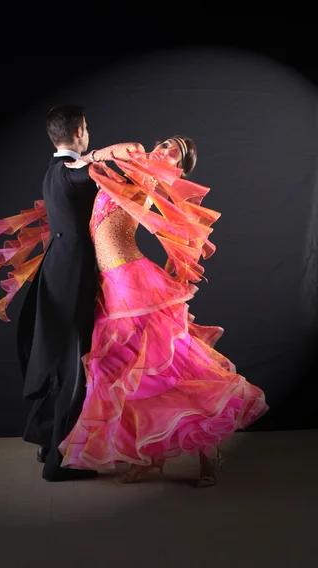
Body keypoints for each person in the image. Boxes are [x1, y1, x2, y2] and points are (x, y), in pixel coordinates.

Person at [57, 136, 269, 486]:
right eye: (167, 143)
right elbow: (89, 169)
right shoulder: (131, 172)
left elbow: (96, 166)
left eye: (176, 152)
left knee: (167, 367)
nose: (165, 149)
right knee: (127, 373)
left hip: (131, 281)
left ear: (179, 169)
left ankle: (207, 449)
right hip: (109, 283)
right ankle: (147, 455)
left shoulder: (147, 175)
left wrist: (106, 157)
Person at [0, 104, 144, 482]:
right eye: (87, 131)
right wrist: (111, 153)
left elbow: (79, 171)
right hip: (72, 279)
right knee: (75, 367)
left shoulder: (53, 170)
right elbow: (86, 169)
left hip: (56, 273)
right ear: (80, 130)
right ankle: (59, 462)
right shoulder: (73, 171)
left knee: (61, 364)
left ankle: (43, 441)